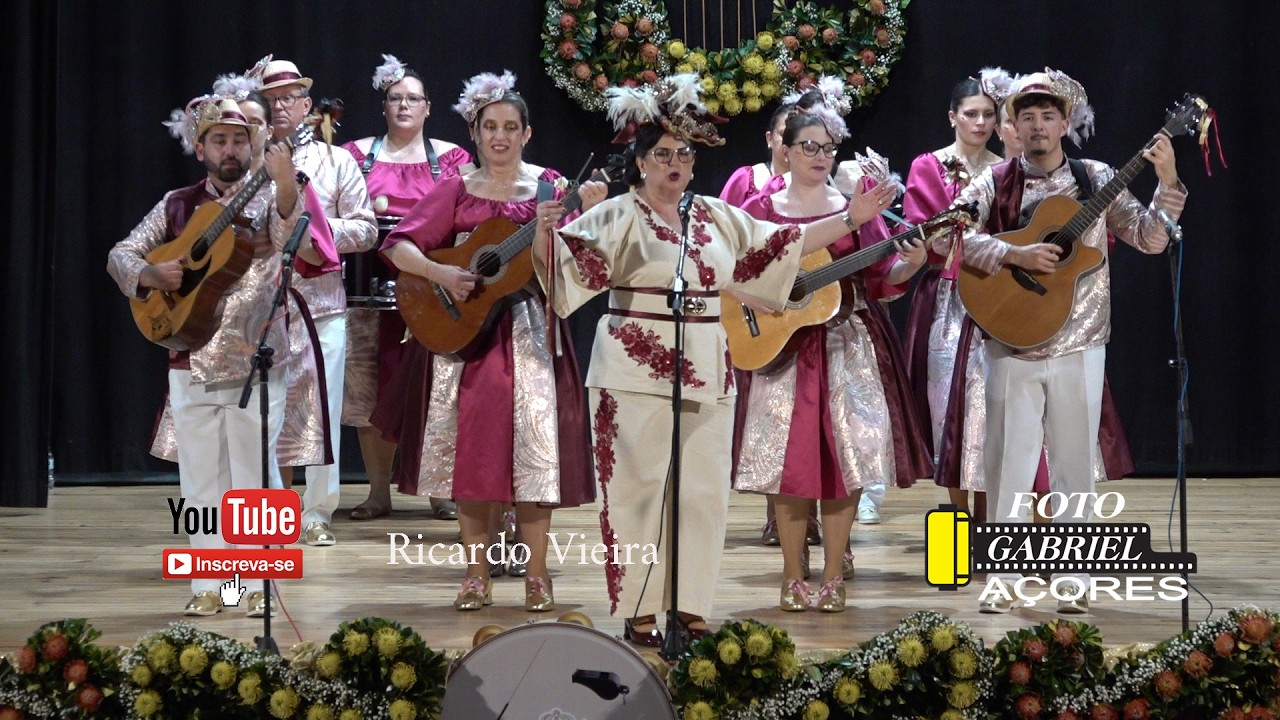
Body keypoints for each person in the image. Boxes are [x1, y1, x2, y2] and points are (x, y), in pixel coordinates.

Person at [532, 74, 895, 646]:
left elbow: (784, 245)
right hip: (633, 363)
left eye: (683, 154)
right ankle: (639, 611)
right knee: (636, 491)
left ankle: (690, 608)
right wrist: (545, 232)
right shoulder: (618, 214)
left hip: (706, 361)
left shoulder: (715, 217)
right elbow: (564, 275)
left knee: (701, 493)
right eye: (663, 154)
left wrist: (854, 216)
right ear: (642, 162)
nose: (675, 163)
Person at [955, 69, 1185, 614]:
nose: (1037, 125)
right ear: (1012, 124)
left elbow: (1149, 239)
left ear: (1066, 121)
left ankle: (1074, 580)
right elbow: (958, 238)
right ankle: (1002, 577)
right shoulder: (994, 181)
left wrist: (1168, 182)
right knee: (1005, 462)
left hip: (1080, 339)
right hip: (1010, 336)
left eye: (1048, 115)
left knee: (1075, 462)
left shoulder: (1096, 176)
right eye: (1027, 116)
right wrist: (1016, 254)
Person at [381, 70, 601, 612]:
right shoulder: (456, 188)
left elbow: (579, 267)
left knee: (534, 452)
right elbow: (398, 245)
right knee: (471, 458)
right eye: (489, 127)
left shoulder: (551, 189)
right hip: (466, 339)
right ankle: (476, 573)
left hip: (530, 333)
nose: (499, 136)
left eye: (510, 127)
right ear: (476, 134)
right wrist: (441, 274)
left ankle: (537, 573)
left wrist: (580, 216)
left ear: (527, 134)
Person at [735, 93, 932, 612]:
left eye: (827, 148)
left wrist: (910, 265)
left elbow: (881, 276)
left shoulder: (858, 209)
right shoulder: (760, 209)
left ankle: (833, 574)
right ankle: (792, 573)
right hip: (781, 345)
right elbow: (745, 268)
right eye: (808, 147)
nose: (820, 156)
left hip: (848, 340)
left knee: (847, 460)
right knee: (790, 465)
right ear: (785, 149)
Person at [108, 96, 303, 615]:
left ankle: (257, 584)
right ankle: (209, 587)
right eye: (220, 140)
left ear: (254, 143)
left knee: (255, 475)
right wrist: (152, 275)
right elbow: (121, 254)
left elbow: (293, 239)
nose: (231, 149)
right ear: (200, 148)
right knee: (200, 478)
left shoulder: (269, 194)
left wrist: (284, 180)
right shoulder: (176, 203)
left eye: (240, 139)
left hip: (255, 357)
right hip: (187, 350)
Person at [340, 54, 472, 522]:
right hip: (366, 291)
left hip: (434, 290)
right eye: (395, 98)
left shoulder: (453, 158)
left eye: (412, 98)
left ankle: (441, 491)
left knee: (437, 389)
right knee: (368, 393)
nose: (403, 105)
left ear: (428, 107)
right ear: (384, 106)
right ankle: (378, 493)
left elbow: (465, 219)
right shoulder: (354, 155)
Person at [257, 58, 378, 546]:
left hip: (321, 303)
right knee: (266, 406)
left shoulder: (337, 161)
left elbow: (366, 228)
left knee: (320, 405)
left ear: (307, 106)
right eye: (271, 99)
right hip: (260, 306)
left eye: (289, 97)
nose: (281, 106)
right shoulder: (249, 161)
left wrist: (317, 234)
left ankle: (318, 512)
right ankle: (270, 508)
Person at [900, 72, 1010, 522]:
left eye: (988, 114)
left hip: (999, 295)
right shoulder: (929, 165)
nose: (980, 123)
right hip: (946, 297)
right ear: (953, 117)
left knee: (992, 404)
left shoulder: (1006, 167)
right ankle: (958, 512)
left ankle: (992, 514)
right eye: (971, 114)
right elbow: (926, 233)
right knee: (947, 402)